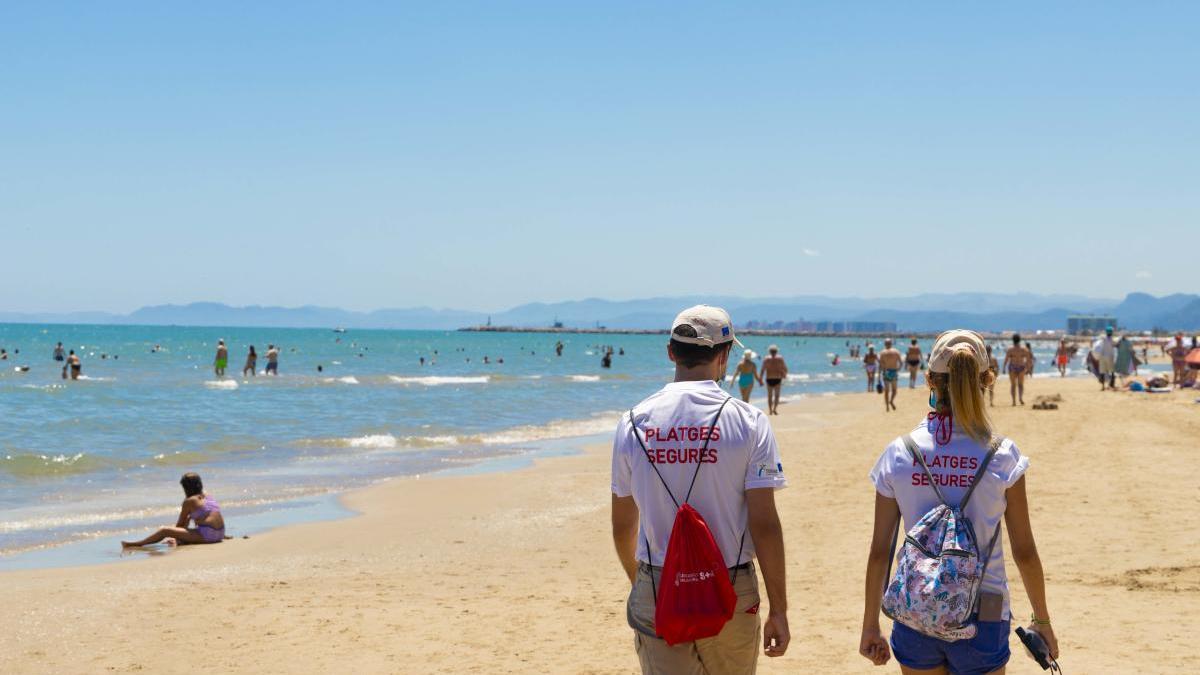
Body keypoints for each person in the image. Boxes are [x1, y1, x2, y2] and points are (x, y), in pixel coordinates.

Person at [859, 329, 1058, 673]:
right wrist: (1042, 619)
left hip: (917, 607)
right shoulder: (1002, 455)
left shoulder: (900, 452)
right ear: (987, 379)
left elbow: (880, 550)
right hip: (986, 611)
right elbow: (1024, 550)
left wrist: (870, 625)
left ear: (930, 381)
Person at [611, 305, 789, 673]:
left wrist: (640, 580)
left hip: (657, 580)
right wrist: (780, 609)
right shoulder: (749, 421)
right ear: (724, 356)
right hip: (731, 583)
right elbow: (765, 523)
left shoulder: (631, 422)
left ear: (671, 352)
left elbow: (622, 524)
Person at [121, 472, 226, 547]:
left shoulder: (189, 501)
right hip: (220, 533)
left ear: (186, 488)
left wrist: (175, 537)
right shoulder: (208, 496)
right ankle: (182, 541)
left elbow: (179, 525)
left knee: (164, 531)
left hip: (208, 535)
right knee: (186, 526)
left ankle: (138, 543)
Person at [759, 344, 788, 415]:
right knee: (777, 395)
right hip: (777, 378)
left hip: (769, 378)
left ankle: (770, 410)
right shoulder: (780, 358)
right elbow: (785, 368)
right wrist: (784, 374)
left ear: (769, 351)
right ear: (777, 351)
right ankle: (775, 409)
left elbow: (762, 370)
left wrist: (760, 379)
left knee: (770, 396)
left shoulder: (766, 359)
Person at [1002, 334, 1030, 405]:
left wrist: (1004, 368)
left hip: (1012, 367)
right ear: (1019, 340)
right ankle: (1020, 398)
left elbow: (1006, 359)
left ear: (1013, 340)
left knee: (1013, 385)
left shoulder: (1010, 349)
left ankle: (1014, 401)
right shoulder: (1024, 349)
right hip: (1021, 367)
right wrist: (1027, 368)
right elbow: (1028, 359)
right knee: (1020, 384)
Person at [878, 339, 903, 412]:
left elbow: (880, 365)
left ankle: (887, 406)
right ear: (891, 343)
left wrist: (879, 376)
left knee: (886, 391)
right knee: (894, 390)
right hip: (894, 372)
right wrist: (898, 369)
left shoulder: (882, 353)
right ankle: (891, 401)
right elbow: (901, 363)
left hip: (886, 372)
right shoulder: (896, 352)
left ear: (885, 344)